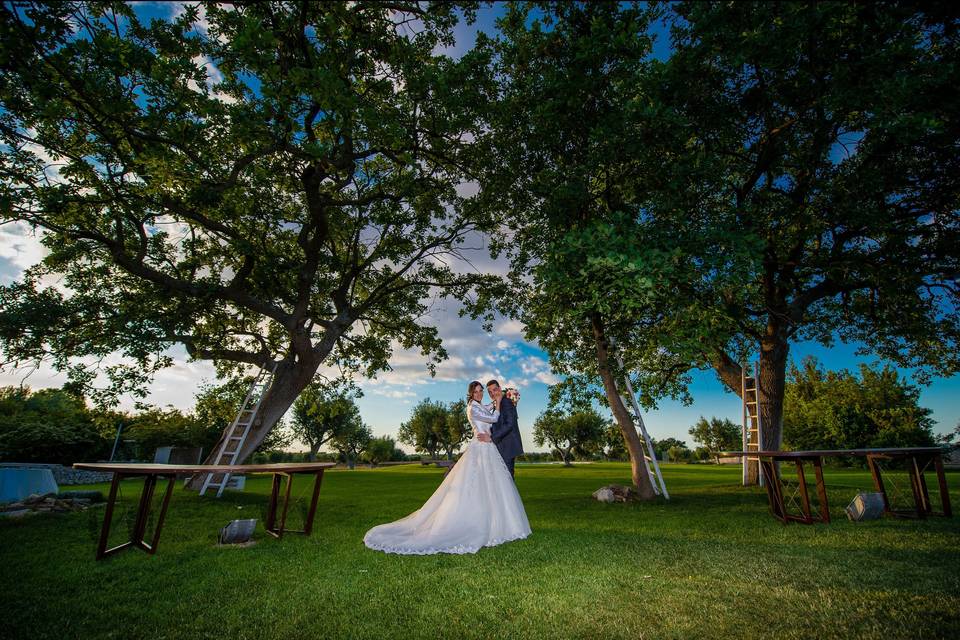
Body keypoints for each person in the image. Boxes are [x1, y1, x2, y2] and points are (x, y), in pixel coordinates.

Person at [363, 380, 531, 555]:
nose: (481, 394)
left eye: (482, 391)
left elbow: (493, 408)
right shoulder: (473, 408)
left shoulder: (481, 405)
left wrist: (504, 398)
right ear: (471, 394)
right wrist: (498, 401)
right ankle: (474, 524)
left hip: (488, 449)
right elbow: (494, 417)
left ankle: (498, 523)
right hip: (481, 448)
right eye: (477, 391)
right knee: (478, 486)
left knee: (492, 486)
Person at [477, 379, 523, 478]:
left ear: (500, 389)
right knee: (502, 480)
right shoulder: (497, 403)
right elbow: (497, 424)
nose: (492, 393)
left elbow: (509, 424)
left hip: (507, 446)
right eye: (490, 392)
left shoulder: (506, 402)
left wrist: (491, 438)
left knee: (507, 479)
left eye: (495, 390)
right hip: (501, 445)